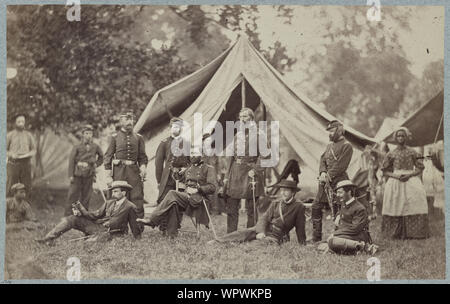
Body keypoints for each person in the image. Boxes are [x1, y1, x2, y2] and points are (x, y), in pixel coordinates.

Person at [138, 147, 216, 238]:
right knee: (174, 202)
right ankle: (172, 234)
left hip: (199, 199)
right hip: (187, 197)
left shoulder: (208, 168)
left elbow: (212, 187)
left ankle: (152, 219)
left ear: (201, 155)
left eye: (195, 153)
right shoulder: (189, 169)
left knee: (172, 193)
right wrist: (175, 171)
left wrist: (198, 189)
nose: (192, 156)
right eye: (191, 153)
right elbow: (178, 178)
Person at [36, 181, 142, 245]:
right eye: (113, 191)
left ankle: (91, 240)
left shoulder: (130, 206)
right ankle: (48, 239)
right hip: (98, 228)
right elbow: (95, 215)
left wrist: (137, 240)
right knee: (72, 219)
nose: (113, 193)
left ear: (123, 192)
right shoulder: (109, 203)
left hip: (113, 234)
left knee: (87, 246)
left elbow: (134, 226)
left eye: (116, 191)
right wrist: (81, 212)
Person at [209, 179, 306, 245]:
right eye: (282, 190)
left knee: (257, 245)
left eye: (286, 190)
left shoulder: (299, 206)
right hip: (265, 229)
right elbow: (264, 218)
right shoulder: (276, 203)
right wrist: (261, 231)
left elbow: (300, 227)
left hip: (277, 235)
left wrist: (302, 244)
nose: (283, 193)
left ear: (293, 192)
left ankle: (244, 246)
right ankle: (218, 241)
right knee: (242, 233)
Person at [223, 107, 267, 233]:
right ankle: (231, 234)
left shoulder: (259, 134)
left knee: (251, 206)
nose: (242, 119)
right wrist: (227, 175)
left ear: (251, 118)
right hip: (236, 172)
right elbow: (231, 156)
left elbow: (265, 156)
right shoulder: (238, 135)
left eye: (245, 116)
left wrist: (256, 170)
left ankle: (250, 234)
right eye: (241, 117)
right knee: (231, 204)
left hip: (250, 172)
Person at [381, 127, 429, 239]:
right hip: (395, 181)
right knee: (395, 204)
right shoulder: (391, 153)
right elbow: (384, 170)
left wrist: (410, 175)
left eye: (403, 135)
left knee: (415, 201)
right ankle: (395, 232)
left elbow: (420, 167)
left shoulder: (412, 152)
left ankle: (415, 233)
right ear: (395, 138)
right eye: (398, 136)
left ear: (406, 137)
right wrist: (396, 176)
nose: (401, 138)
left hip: (410, 180)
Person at [311, 120, 353, 242]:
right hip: (325, 182)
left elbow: (341, 166)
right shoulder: (329, 146)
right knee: (316, 206)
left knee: (338, 210)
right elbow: (322, 159)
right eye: (329, 131)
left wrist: (328, 175)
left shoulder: (347, 146)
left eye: (332, 131)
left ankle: (338, 236)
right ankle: (316, 238)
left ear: (340, 131)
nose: (330, 134)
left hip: (339, 183)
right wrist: (323, 172)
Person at [104, 111, 148, 221]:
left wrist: (143, 167)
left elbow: (142, 157)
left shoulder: (138, 138)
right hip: (119, 173)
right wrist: (108, 175)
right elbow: (108, 156)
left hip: (134, 173)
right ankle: (117, 227)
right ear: (121, 121)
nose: (129, 122)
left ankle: (138, 227)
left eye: (131, 119)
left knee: (136, 198)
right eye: (126, 119)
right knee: (117, 198)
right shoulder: (114, 137)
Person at [326, 180, 377, 255]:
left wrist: (336, 233)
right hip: (346, 234)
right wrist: (338, 216)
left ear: (349, 192)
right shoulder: (344, 203)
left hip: (357, 235)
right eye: (337, 192)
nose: (337, 195)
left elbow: (355, 229)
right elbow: (343, 213)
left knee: (331, 241)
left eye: (340, 192)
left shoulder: (360, 208)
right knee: (322, 244)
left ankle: (362, 246)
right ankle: (354, 250)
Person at [64, 124, 104, 216]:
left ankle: (83, 216)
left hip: (89, 174)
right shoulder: (77, 146)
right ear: (83, 134)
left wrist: (95, 165)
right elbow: (72, 161)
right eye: (86, 133)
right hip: (77, 174)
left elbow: (102, 157)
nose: (88, 135)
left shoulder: (95, 146)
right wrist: (70, 175)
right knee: (73, 194)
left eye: (90, 133)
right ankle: (67, 215)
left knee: (86, 196)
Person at [155, 117, 190, 204]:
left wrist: (186, 169)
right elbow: (158, 164)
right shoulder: (164, 143)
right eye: (174, 127)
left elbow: (190, 162)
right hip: (168, 178)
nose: (176, 129)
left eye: (178, 127)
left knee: (181, 203)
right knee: (165, 201)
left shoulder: (186, 143)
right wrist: (160, 181)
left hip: (182, 178)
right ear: (170, 128)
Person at [6, 114, 37, 197]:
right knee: (11, 185)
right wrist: (11, 154)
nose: (21, 123)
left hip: (26, 163)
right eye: (19, 121)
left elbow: (34, 150)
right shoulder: (10, 135)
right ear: (15, 123)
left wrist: (29, 154)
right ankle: (9, 207)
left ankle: (25, 207)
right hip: (13, 163)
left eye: (23, 121)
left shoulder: (28, 135)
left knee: (26, 186)